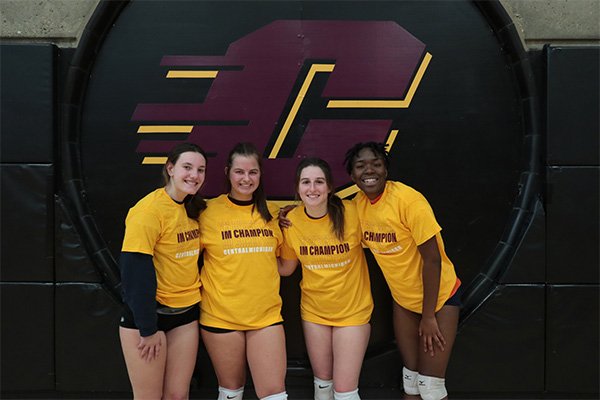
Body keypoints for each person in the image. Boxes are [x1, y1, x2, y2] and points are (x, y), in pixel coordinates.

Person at [344, 142, 461, 400]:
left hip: (439, 299)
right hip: (404, 301)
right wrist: (288, 213)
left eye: (376, 164)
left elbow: (432, 261)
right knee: (411, 381)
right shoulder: (358, 206)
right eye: (360, 166)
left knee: (430, 388)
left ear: (386, 169)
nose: (369, 171)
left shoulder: (409, 201)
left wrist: (429, 316)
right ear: (352, 176)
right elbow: (326, 219)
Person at [278, 157, 373, 400]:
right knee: (322, 388)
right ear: (297, 188)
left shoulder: (352, 212)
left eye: (319, 182)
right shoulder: (291, 222)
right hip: (314, 314)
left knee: (344, 393)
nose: (312, 189)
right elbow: (286, 269)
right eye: (306, 182)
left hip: (352, 313)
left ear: (330, 187)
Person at [198, 142, 288, 400]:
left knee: (274, 394)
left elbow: (285, 267)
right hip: (220, 317)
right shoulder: (206, 211)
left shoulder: (273, 214)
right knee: (230, 393)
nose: (246, 179)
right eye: (239, 172)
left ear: (260, 174)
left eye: (252, 172)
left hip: (265, 317)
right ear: (227, 172)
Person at [119, 142, 207, 400]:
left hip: (185, 315)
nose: (194, 175)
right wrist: (147, 328)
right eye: (187, 167)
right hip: (149, 318)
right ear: (170, 168)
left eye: (200, 170)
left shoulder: (194, 208)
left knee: (178, 396)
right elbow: (135, 275)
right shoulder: (147, 211)